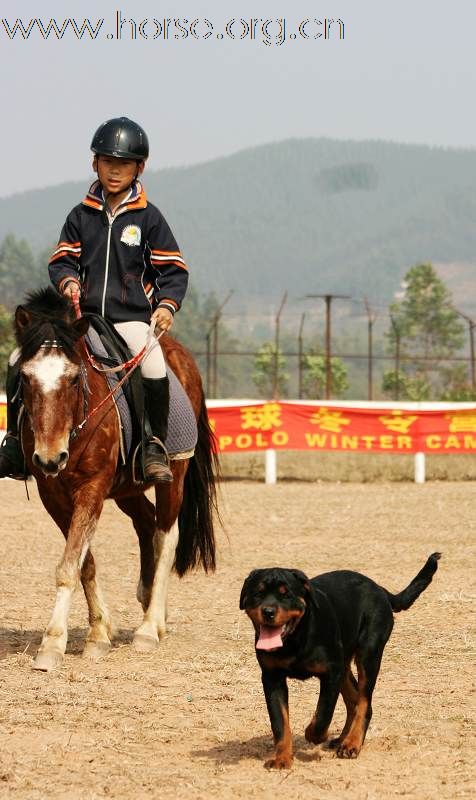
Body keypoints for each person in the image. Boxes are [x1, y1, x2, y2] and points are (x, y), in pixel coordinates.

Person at [0, 117, 188, 482]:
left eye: (124, 164)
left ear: (139, 168)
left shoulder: (149, 218)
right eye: (107, 162)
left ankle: (152, 445)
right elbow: (62, 260)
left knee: (152, 362)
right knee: (17, 358)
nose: (115, 170)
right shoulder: (80, 215)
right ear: (95, 164)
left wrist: (166, 305)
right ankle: (12, 445)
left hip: (130, 318)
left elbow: (173, 270)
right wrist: (68, 280)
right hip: (81, 320)